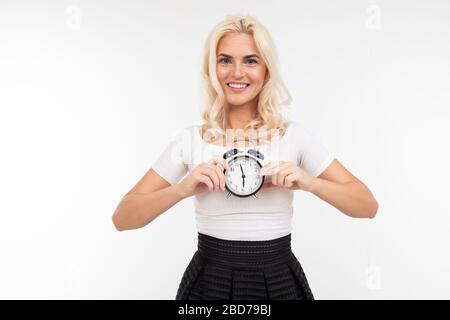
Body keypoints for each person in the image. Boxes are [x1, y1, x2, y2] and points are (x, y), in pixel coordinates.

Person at [112, 14, 378, 300]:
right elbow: (123, 218)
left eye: (251, 60)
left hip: (279, 280)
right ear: (212, 69)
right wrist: (181, 189)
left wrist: (309, 182)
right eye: (225, 60)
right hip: (208, 283)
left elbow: (367, 206)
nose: (237, 72)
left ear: (266, 70)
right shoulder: (190, 139)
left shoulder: (294, 136)